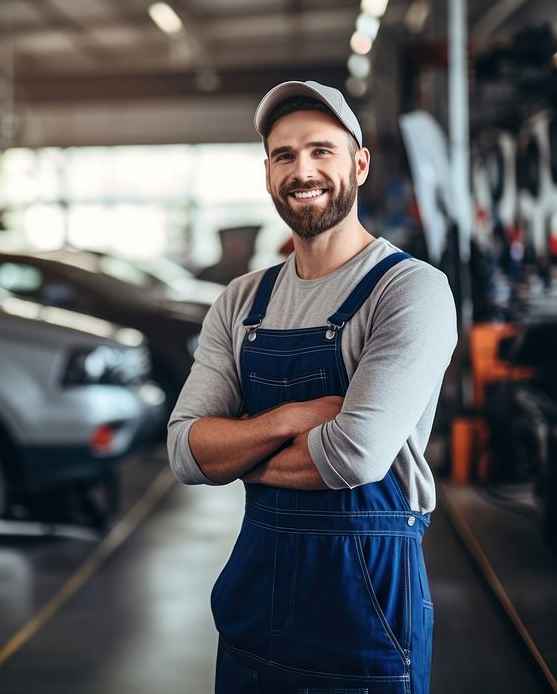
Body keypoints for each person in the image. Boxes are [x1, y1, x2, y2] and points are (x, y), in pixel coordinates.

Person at [167, 80, 457, 694]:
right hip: (252, 604)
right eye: (284, 155)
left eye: (322, 151)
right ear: (268, 173)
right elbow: (185, 452)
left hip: (365, 612)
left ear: (359, 163)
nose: (303, 170)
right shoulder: (241, 301)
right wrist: (286, 420)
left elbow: (355, 454)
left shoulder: (408, 291)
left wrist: (235, 455)